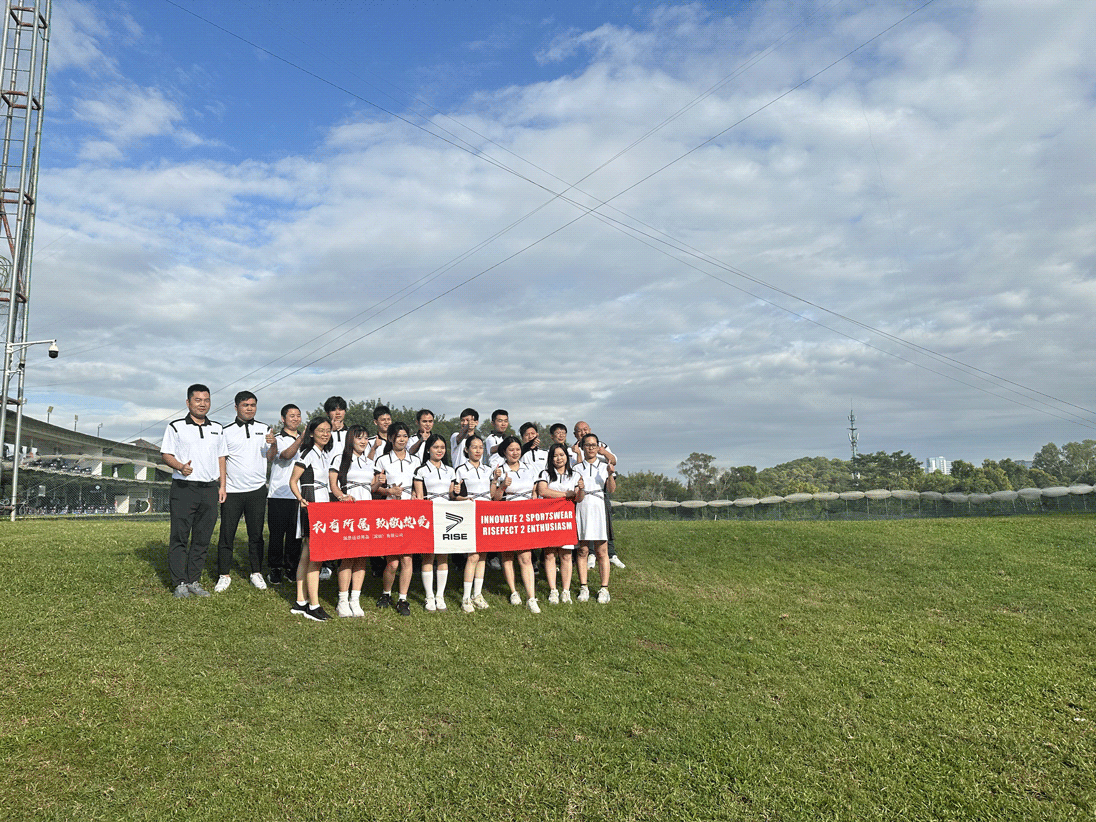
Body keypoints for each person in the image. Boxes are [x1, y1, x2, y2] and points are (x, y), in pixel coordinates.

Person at [161, 383, 228, 598]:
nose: (202, 404)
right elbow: (166, 455)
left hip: (209, 489)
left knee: (202, 537)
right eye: (198, 400)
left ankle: (194, 580)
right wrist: (181, 467)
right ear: (188, 402)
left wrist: (222, 486)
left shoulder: (217, 428)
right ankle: (179, 582)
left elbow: (221, 458)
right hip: (184, 488)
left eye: (206, 400)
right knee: (180, 536)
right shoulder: (175, 426)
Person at [214, 391, 274, 593]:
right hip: (232, 491)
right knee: (226, 534)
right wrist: (222, 486)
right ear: (236, 407)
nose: (249, 408)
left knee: (256, 534)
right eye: (245, 405)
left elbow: (271, 456)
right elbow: (221, 459)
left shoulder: (264, 429)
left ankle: (256, 572)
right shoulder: (226, 431)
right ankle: (224, 574)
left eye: (253, 405)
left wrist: (272, 444)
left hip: (257, 490)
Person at [329, 425, 382, 618]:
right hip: (349, 510)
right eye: (359, 437)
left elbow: (371, 487)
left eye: (366, 438)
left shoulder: (369, 462)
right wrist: (341, 496)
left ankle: (355, 599)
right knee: (348, 555)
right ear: (351, 439)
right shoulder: (340, 458)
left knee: (362, 555)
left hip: (367, 510)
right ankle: (342, 600)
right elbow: (333, 483)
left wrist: (379, 483)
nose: (363, 442)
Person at [288, 416, 334, 621]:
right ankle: (313, 605)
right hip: (312, 506)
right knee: (316, 556)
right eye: (321, 430)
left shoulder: (325, 454)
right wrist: (301, 499)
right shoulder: (307, 453)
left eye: (328, 430)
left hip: (324, 505)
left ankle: (300, 601)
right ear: (312, 432)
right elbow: (293, 480)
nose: (325, 434)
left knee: (307, 554)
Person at [492, 435, 541, 613]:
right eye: (511, 449)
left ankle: (531, 597)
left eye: (518, 449)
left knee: (526, 556)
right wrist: (503, 485)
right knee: (507, 555)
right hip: (507, 514)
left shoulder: (530, 468)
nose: (515, 453)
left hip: (526, 514)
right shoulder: (498, 469)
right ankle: (513, 591)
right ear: (504, 451)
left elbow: (535, 491)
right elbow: (494, 498)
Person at [373, 421, 416, 616]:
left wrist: (415, 494)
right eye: (398, 436)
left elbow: (418, 486)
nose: (402, 439)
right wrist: (389, 490)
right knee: (392, 562)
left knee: (407, 558)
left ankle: (403, 598)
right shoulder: (382, 460)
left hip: (409, 512)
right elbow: (374, 488)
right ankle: (386, 593)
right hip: (389, 511)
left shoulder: (415, 461)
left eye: (405, 436)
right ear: (390, 438)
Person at [412, 433, 458, 612]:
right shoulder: (421, 470)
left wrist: (457, 492)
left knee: (443, 556)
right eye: (435, 447)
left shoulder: (450, 471)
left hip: (446, 515)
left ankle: (440, 595)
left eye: (442, 447)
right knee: (429, 556)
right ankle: (429, 596)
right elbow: (421, 497)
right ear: (428, 449)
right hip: (429, 514)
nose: (439, 451)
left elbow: (452, 496)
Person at [571, 420, 625, 570]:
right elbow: (578, 469)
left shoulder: (601, 445)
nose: (583, 432)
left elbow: (613, 460)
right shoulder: (574, 449)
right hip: (583, 493)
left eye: (585, 429)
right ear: (575, 434)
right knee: (585, 526)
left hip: (601, 488)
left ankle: (611, 553)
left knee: (604, 524)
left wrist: (603, 452)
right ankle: (590, 554)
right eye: (579, 431)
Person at [536, 442, 584, 604]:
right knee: (549, 554)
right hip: (549, 519)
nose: (558, 458)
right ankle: (553, 591)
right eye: (555, 455)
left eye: (561, 455)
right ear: (550, 458)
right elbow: (543, 491)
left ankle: (565, 591)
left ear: (567, 457)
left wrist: (580, 491)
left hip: (567, 521)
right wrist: (566, 494)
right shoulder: (545, 473)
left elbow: (578, 496)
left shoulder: (575, 474)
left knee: (566, 555)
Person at [573, 432, 617, 603]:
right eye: (587, 445)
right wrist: (581, 489)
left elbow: (611, 490)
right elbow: (577, 494)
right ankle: (583, 586)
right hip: (582, 507)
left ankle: (604, 588)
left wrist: (611, 474)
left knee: (601, 551)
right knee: (583, 550)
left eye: (593, 445)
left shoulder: (604, 466)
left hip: (599, 507)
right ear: (582, 447)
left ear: (598, 447)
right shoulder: (576, 468)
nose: (590, 448)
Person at [452, 433, 493, 611]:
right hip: (470, 512)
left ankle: (478, 594)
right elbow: (454, 495)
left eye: (480, 447)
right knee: (473, 555)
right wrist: (463, 499)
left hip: (487, 513)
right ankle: (466, 597)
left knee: (482, 555)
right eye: (474, 447)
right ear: (466, 449)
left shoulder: (489, 470)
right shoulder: (460, 470)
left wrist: (499, 482)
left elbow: (494, 494)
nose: (478, 450)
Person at [266, 404, 304, 584]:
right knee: (276, 534)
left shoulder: (305, 440)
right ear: (283, 419)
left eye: (298, 416)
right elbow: (287, 455)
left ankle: (291, 567)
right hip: (279, 494)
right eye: (291, 416)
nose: (295, 419)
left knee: (294, 535)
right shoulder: (278, 438)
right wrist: (301, 440)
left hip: (299, 494)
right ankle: (274, 568)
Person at [319, 397, 349, 582]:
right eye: (333, 410)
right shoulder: (323, 433)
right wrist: (330, 431)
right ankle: (326, 565)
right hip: (326, 485)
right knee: (330, 528)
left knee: (347, 527)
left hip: (346, 485)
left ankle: (344, 564)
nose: (337, 413)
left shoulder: (351, 433)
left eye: (341, 409)